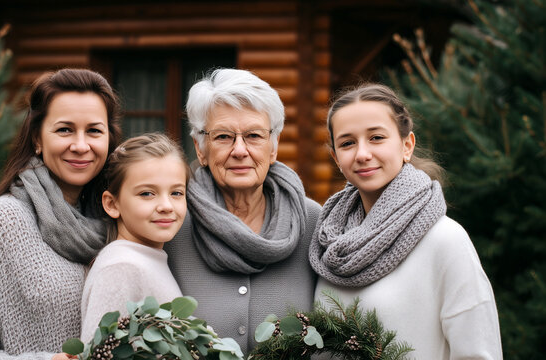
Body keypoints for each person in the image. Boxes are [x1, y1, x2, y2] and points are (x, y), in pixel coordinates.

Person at [0, 68, 121, 360]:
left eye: (94, 131)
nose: (81, 145)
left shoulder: (119, 223)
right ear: (37, 138)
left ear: (109, 138)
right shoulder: (3, 221)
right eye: (64, 130)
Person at [309, 83, 502, 359]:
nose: (362, 154)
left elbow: (479, 353)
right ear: (336, 158)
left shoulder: (445, 240)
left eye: (376, 137)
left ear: (407, 145)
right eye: (347, 143)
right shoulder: (328, 245)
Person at [165, 68, 322, 353]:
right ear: (201, 149)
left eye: (253, 136)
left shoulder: (310, 221)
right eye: (223, 136)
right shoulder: (173, 223)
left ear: (273, 147)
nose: (239, 150)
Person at [80, 133, 189, 342]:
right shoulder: (121, 267)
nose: (166, 206)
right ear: (112, 204)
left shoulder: (146, 258)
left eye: (176, 193)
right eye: (147, 194)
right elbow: (98, 354)